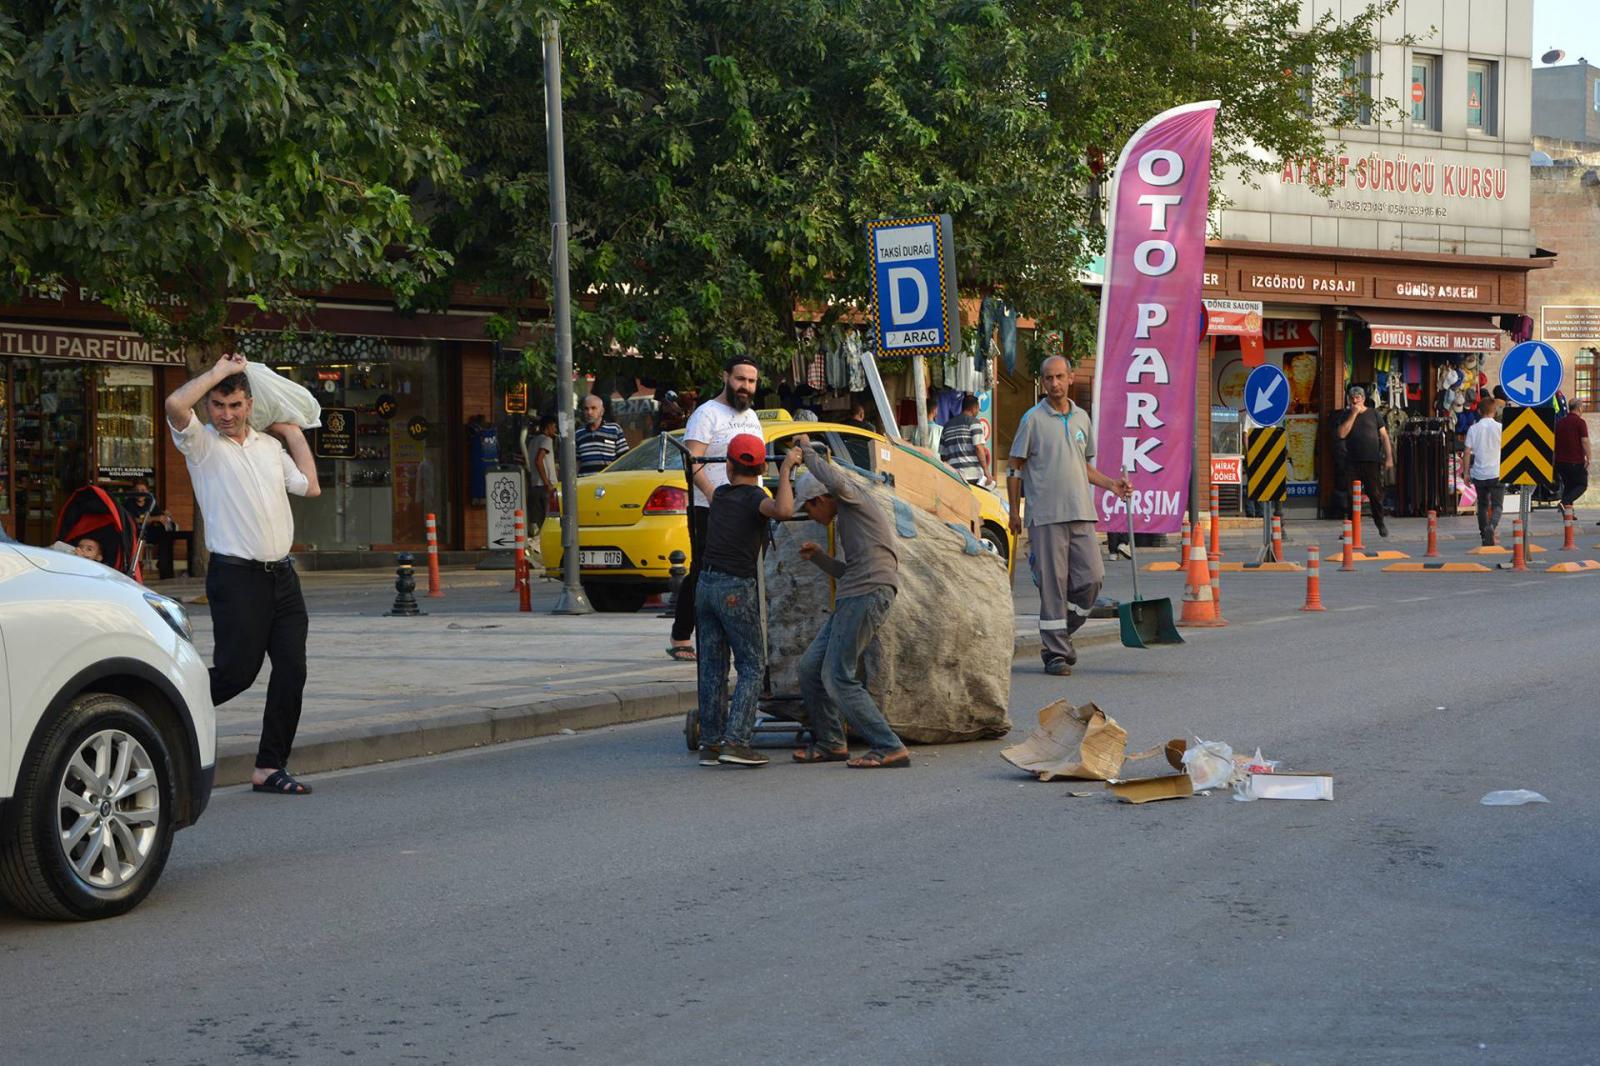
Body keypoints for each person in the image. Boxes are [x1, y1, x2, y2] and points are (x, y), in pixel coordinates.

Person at [165, 352, 321, 796]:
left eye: (235, 406)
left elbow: (310, 486)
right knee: (237, 674)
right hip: (237, 579)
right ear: (209, 407)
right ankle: (161, 712)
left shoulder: (269, 448)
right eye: (219, 406)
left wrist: (292, 434)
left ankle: (269, 767)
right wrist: (216, 373)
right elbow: (176, 406)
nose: (227, 415)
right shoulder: (202, 446)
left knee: (292, 670)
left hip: (284, 580)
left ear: (249, 405)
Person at [1007, 357, 1131, 676]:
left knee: (1092, 578)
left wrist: (1112, 485)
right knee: (1054, 585)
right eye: (1048, 378)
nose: (1054, 384)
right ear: (1043, 382)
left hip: (1081, 513)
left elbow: (1084, 466)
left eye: (1060, 377)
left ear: (1071, 378)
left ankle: (1061, 632)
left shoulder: (1081, 419)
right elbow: (1014, 467)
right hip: (1045, 516)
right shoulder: (1032, 420)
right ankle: (1056, 653)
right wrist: (1014, 513)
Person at [791, 444, 910, 769]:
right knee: (810, 668)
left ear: (820, 499)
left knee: (837, 675)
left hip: (867, 593)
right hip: (856, 593)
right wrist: (819, 558)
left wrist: (807, 453)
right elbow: (847, 572)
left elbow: (836, 481)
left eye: (810, 510)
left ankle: (888, 746)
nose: (812, 518)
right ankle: (831, 742)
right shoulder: (848, 519)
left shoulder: (850, 498)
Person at [694, 436, 801, 768]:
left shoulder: (721, 496)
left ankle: (711, 743)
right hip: (734, 588)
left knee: (712, 667)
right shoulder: (757, 498)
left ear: (727, 466)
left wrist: (696, 462)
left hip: (705, 585)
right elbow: (784, 511)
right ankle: (736, 742)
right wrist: (785, 470)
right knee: (752, 665)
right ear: (761, 467)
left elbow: (701, 476)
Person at [668, 357, 763, 661]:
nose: (745, 386)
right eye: (740, 379)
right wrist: (714, 495)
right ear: (726, 377)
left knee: (749, 571)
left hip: (748, 508)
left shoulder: (752, 417)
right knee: (703, 572)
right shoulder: (706, 414)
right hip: (710, 509)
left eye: (751, 381)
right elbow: (691, 461)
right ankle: (682, 634)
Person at [1335, 385, 1392, 537]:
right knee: (1351, 496)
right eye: (1352, 398)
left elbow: (1385, 436)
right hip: (1352, 462)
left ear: (1363, 399)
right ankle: (1350, 528)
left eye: (1358, 398)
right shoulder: (1346, 414)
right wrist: (1353, 415)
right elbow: (1341, 434)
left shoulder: (1374, 414)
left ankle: (1380, 524)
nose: (1355, 401)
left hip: (1371, 461)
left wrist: (1389, 458)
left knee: (1375, 494)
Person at [1463, 397, 1504, 547]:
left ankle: (1483, 536)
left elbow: (1467, 452)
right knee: (1498, 505)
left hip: (1479, 473)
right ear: (1494, 411)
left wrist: (1466, 472)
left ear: (1479, 411)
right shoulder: (1500, 428)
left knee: (1482, 505)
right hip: (1496, 472)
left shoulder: (1473, 429)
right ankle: (1491, 527)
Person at [124, 479, 178, 579]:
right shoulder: (129, 503)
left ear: (147, 491)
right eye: (138, 490)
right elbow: (133, 520)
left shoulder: (150, 501)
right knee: (141, 534)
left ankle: (163, 564)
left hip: (149, 531)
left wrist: (164, 515)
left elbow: (159, 515)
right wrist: (155, 518)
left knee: (166, 534)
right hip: (135, 533)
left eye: (143, 490)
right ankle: (138, 570)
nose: (140, 493)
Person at [939, 393, 989, 484]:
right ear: (974, 408)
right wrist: (986, 471)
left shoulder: (947, 426)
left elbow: (943, 455)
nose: (978, 411)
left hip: (953, 475)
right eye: (978, 408)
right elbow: (978, 448)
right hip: (972, 475)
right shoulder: (974, 423)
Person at [574, 394, 629, 475]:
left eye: (593, 408)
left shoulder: (614, 429)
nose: (589, 412)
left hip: (607, 482)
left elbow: (624, 458)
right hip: (585, 483)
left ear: (602, 411)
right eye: (586, 409)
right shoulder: (579, 433)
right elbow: (577, 462)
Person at [1555, 398, 1589, 510]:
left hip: (1560, 462)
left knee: (1569, 486)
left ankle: (1568, 514)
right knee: (1582, 484)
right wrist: (1588, 456)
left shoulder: (1560, 423)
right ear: (1579, 408)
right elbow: (1584, 441)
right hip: (1575, 461)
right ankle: (1564, 502)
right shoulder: (1580, 422)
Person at [527, 413, 559, 531]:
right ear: (549, 426)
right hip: (545, 486)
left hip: (534, 485)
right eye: (554, 427)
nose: (555, 430)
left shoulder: (532, 441)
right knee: (549, 522)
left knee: (538, 522)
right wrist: (548, 483)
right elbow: (538, 460)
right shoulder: (547, 440)